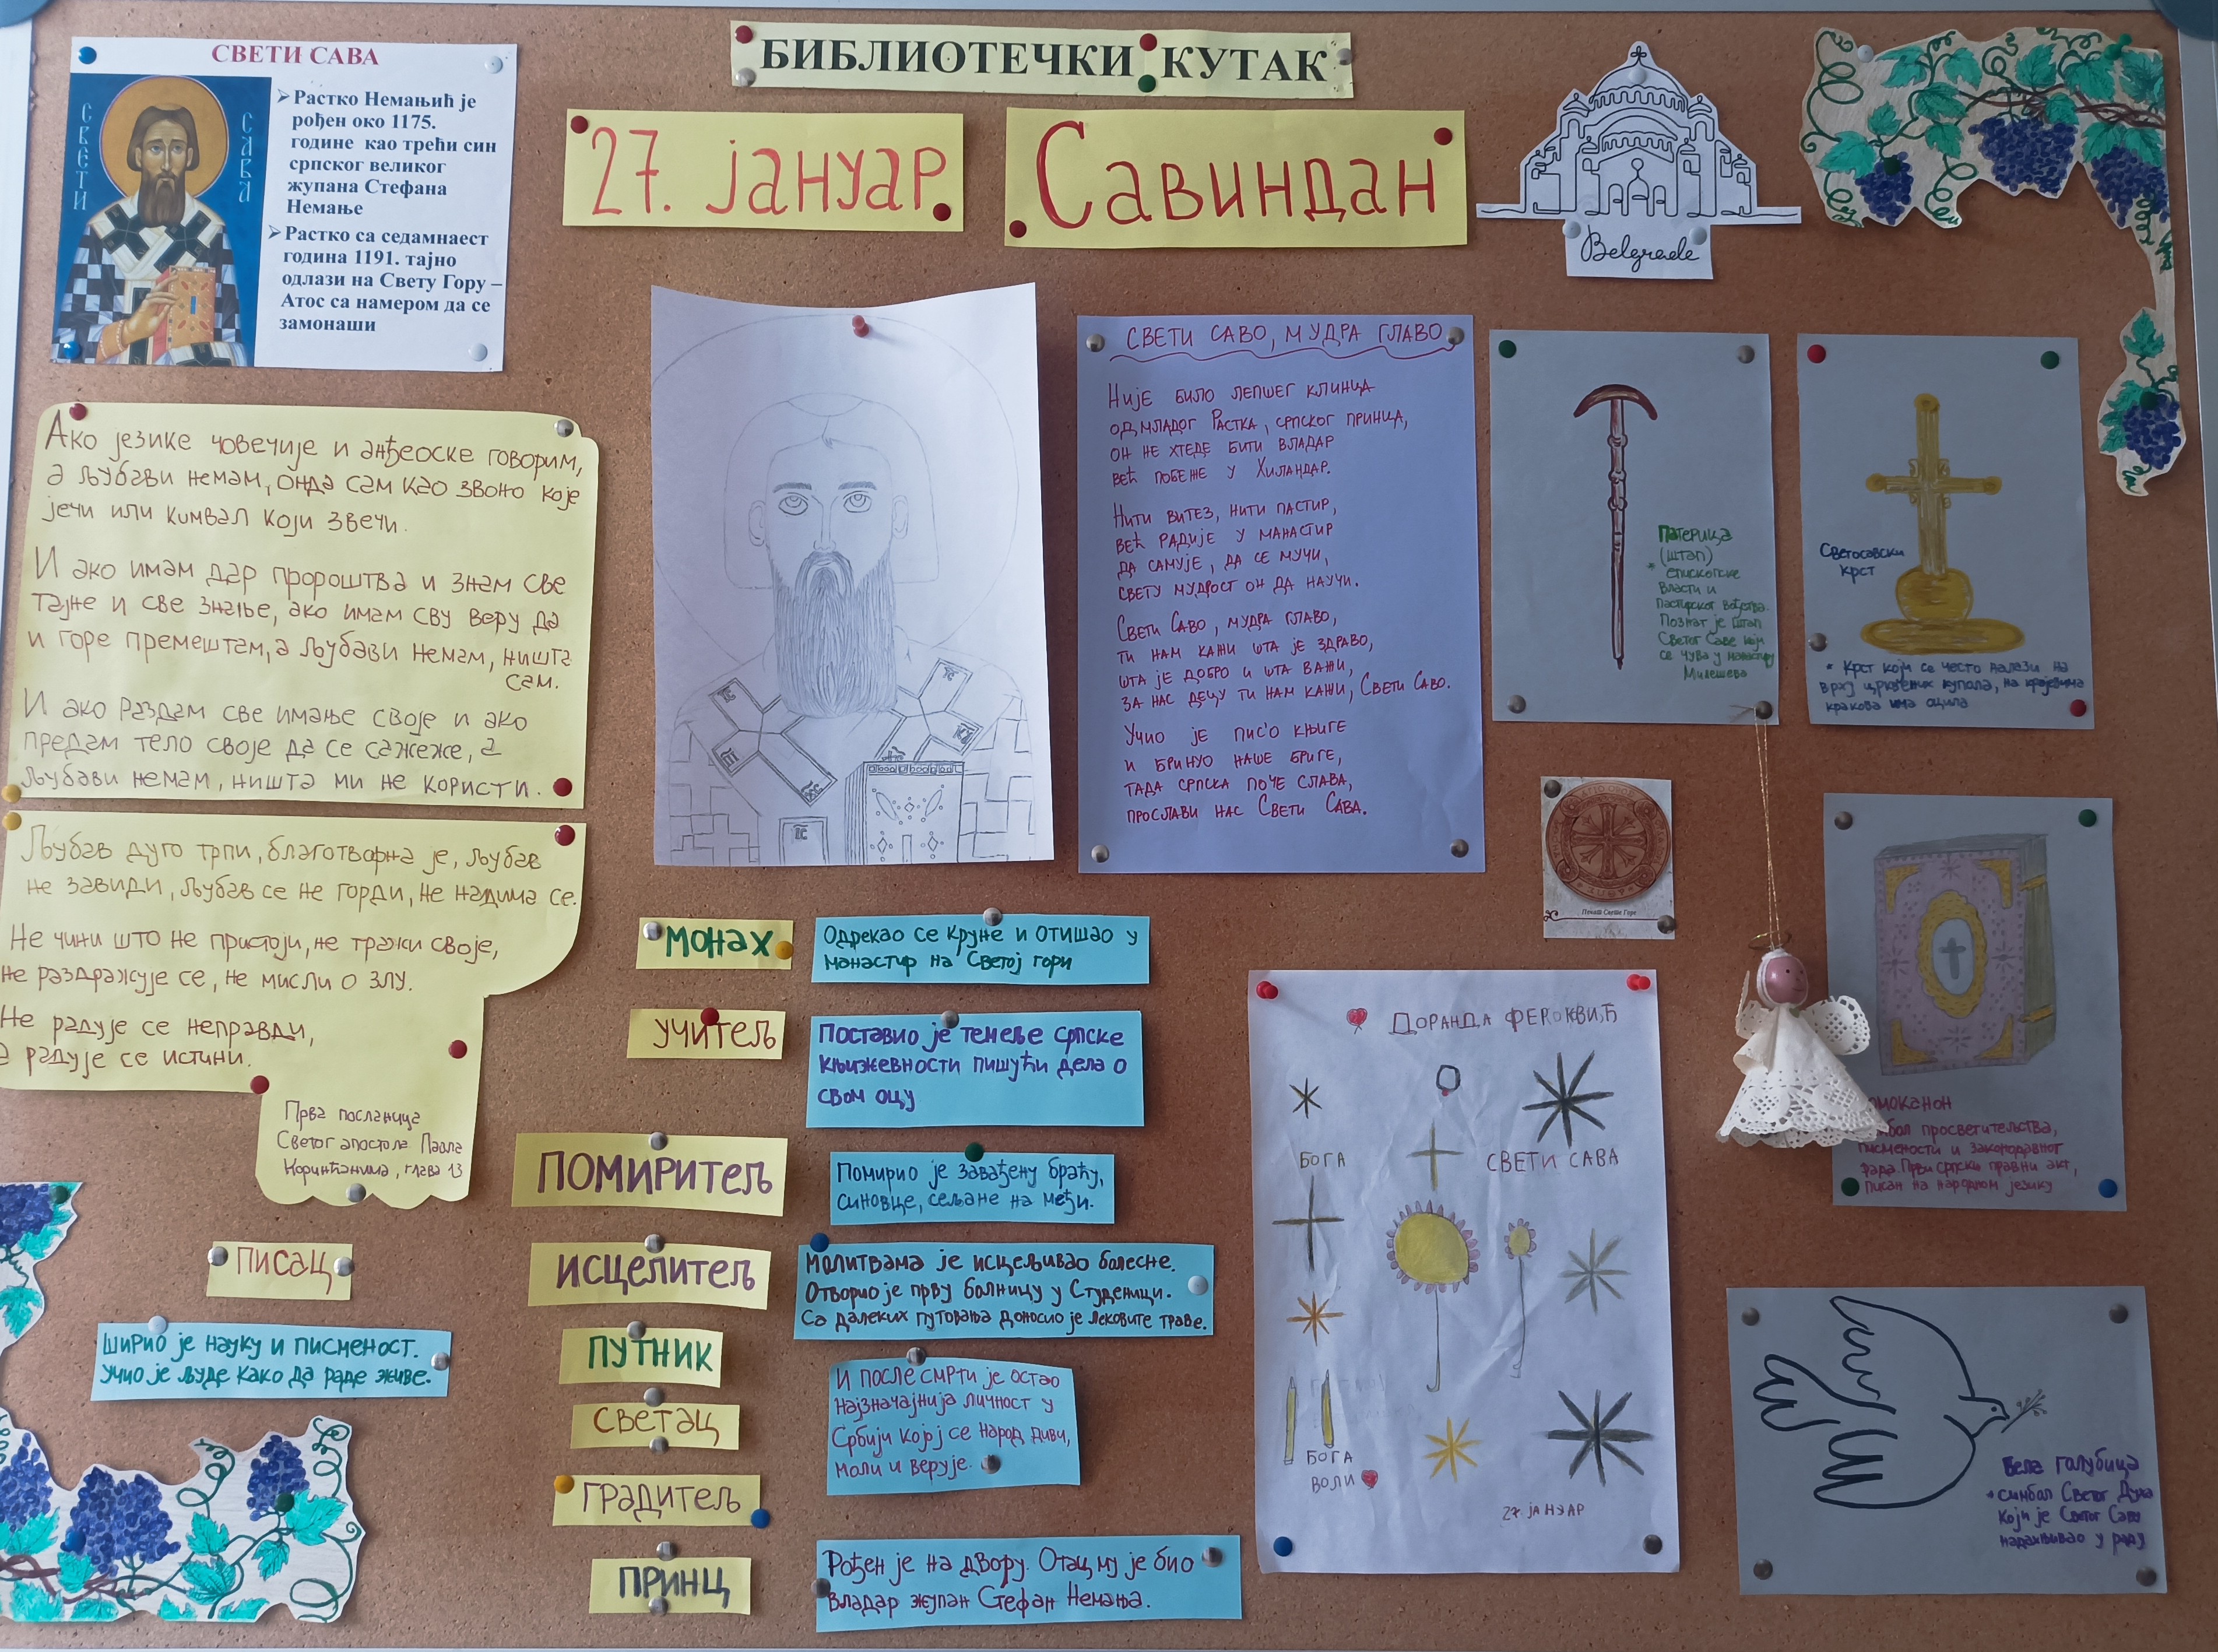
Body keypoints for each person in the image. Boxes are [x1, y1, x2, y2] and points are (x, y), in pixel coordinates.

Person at [663, 395, 1036, 865]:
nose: (825, 540)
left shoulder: (986, 707)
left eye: (856, 502)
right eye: (795, 504)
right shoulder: (707, 727)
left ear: (898, 520)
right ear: (760, 525)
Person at [57, 102, 243, 365]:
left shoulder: (210, 233)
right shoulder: (103, 231)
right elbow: (66, 345)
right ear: (138, 156)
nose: (167, 164)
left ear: (189, 157)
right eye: (156, 149)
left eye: (177, 149)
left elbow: (230, 338)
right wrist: (130, 331)